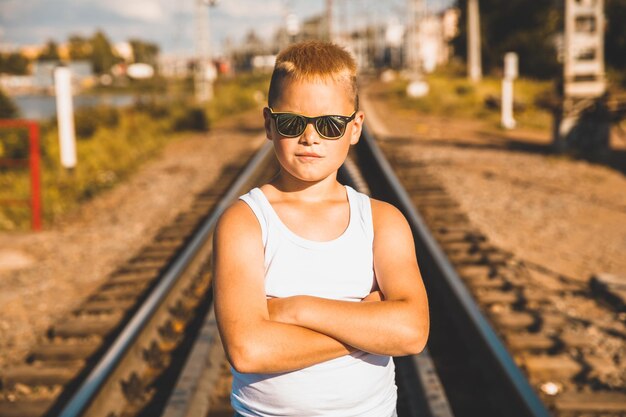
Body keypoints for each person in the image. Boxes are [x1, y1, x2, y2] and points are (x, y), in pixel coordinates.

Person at [213, 40, 429, 417]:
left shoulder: (382, 221)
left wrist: (296, 309)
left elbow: (411, 332)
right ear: (269, 123)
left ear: (355, 127)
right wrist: (367, 331)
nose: (310, 137)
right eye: (292, 122)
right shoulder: (246, 222)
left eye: (330, 124)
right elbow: (249, 350)